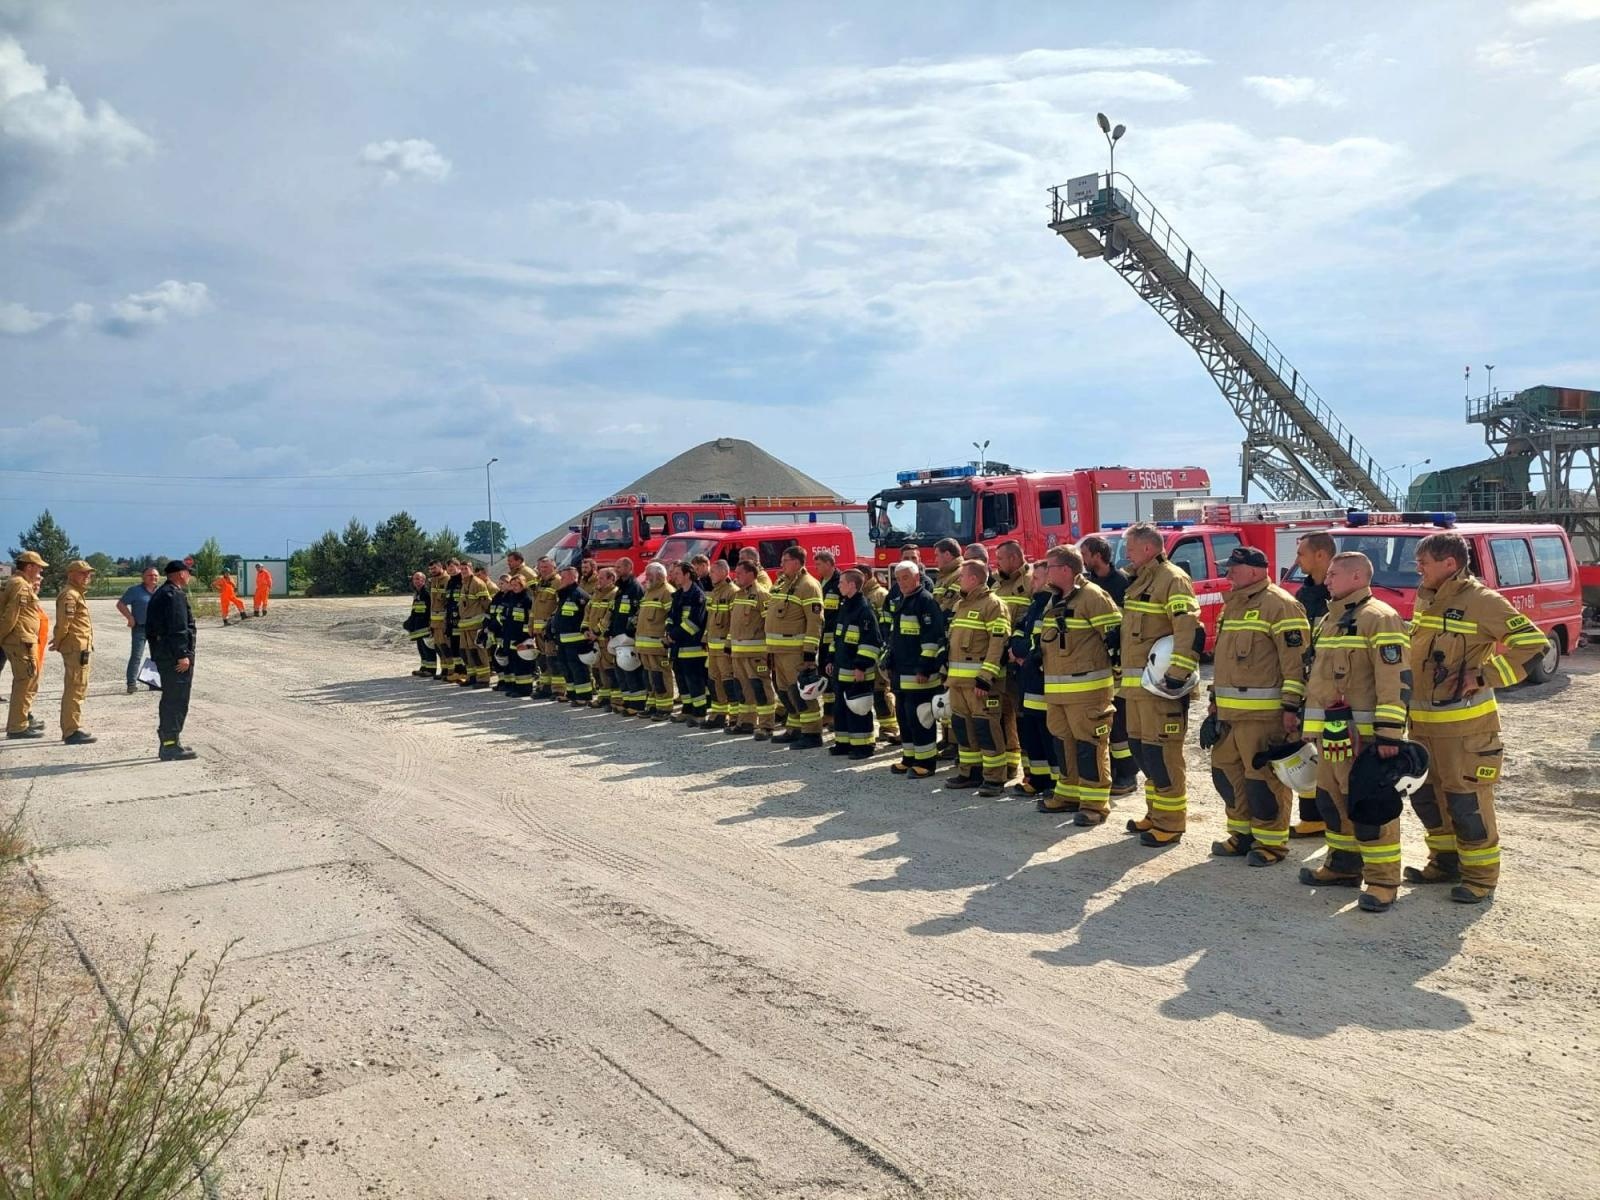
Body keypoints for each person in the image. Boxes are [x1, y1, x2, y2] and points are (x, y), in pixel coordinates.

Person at [1405, 531, 1549, 904]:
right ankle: (1444, 863)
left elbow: (1534, 644)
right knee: (1428, 798)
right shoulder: (1428, 599)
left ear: (1449, 564)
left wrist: (1484, 676)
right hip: (1423, 727)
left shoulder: (1483, 602)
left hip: (1465, 730)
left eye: (1424, 562)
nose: (1418, 568)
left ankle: (1480, 877)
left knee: (1466, 802)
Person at [1298, 552, 1410, 912]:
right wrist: (1310, 728)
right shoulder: (1330, 619)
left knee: (1370, 809)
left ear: (1358, 577)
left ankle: (1382, 881)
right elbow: (1319, 681)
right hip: (1332, 737)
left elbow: (1393, 680)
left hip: (1364, 739)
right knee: (1332, 803)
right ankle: (1343, 866)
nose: (1327, 579)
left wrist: (1389, 734)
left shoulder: (1380, 618)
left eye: (1334, 574)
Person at [1204, 546, 1310, 866]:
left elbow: (1296, 663)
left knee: (1262, 780)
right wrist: (1214, 702)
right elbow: (1223, 663)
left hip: (1264, 716)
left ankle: (1271, 843)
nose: (1228, 574)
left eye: (1234, 569)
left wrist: (1291, 707)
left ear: (1255, 571)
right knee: (1226, 773)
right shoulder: (1232, 606)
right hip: (1229, 715)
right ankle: (1242, 834)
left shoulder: (1281, 605)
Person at [1119, 522, 1201, 848]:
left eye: (1130, 548)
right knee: (1143, 752)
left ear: (1148, 548)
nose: (1127, 554)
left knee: (1163, 755)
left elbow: (1187, 628)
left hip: (1161, 687)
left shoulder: (1172, 579)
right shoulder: (1141, 580)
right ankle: (1155, 813)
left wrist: (1178, 673)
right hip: (1137, 688)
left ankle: (1170, 823)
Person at [1034, 545, 1121, 822]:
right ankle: (1068, 794)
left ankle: (1095, 805)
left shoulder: (1093, 596)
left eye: (1050, 566)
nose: (1046, 572)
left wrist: (1117, 680)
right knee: (1064, 744)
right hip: (1058, 691)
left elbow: (1116, 639)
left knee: (1090, 746)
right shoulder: (1055, 598)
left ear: (1066, 570)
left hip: (1088, 692)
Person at [943, 560, 1012, 796]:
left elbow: (998, 643)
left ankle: (994, 778)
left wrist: (986, 677)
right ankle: (970, 772)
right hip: (958, 682)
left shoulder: (993, 605)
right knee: (963, 728)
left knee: (986, 729)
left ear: (973, 579)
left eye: (962, 576)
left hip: (980, 685)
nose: (959, 580)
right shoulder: (961, 604)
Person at [1080, 534, 1139, 798]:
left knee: (1120, 725)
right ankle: (1111, 771)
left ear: (1097, 555)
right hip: (1097, 665)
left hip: (1120, 665)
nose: (1083, 559)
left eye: (1085, 554)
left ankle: (1127, 774)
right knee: (1102, 723)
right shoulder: (1088, 585)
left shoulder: (1122, 583)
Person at [1289, 531, 1336, 838]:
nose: (1297, 560)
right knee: (1305, 749)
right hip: (1307, 687)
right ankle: (1312, 818)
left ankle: (1333, 820)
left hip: (1333, 691)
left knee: (1332, 757)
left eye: (1301, 554)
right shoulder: (1303, 596)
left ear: (1321, 555)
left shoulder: (1341, 596)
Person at [886, 560, 944, 776]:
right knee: (904, 717)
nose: (901, 582)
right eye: (898, 579)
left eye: (906, 578)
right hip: (902, 673)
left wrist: (924, 668)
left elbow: (932, 639)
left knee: (921, 717)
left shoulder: (925, 601)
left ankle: (926, 763)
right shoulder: (903, 601)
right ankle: (909, 757)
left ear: (917, 577)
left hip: (919, 674)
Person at [766, 545, 825, 748]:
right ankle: (794, 728)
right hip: (778, 651)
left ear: (798, 562)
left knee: (801, 693)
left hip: (795, 652)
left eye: (785, 560)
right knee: (785, 692)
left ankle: (812, 733)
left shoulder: (809, 585)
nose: (781, 564)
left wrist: (809, 654)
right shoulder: (782, 582)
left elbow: (815, 621)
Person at [1009, 560, 1057, 798]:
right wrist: (1019, 649)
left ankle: (1055, 784)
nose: (1032, 583)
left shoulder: (1051, 605)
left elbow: (1039, 645)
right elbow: (1018, 634)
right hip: (1028, 680)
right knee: (1031, 733)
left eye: (1036, 578)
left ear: (1049, 578)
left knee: (1048, 735)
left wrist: (1022, 654)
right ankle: (1038, 780)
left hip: (1042, 681)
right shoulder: (1034, 604)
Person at [825, 569, 883, 759]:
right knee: (841, 708)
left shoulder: (864, 610)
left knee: (858, 709)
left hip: (857, 671)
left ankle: (864, 746)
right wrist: (830, 659)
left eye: (841, 582)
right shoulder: (845, 607)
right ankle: (843, 743)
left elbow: (871, 642)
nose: (838, 585)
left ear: (852, 585)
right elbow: (837, 637)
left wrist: (861, 666)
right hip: (841, 668)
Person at [145, 560, 197, 760]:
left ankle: (170, 742)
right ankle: (170, 745)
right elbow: (178, 627)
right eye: (187, 572)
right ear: (180, 574)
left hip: (164, 655)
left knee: (170, 698)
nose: (189, 576)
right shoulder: (174, 595)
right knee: (176, 699)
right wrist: (182, 654)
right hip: (175, 658)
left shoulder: (161, 593)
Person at [992, 540, 1031, 782]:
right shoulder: (997, 584)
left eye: (1001, 559)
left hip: (1019, 661)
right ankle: (1009, 763)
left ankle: (1030, 771)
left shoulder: (1031, 582)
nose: (997, 564)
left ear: (1014, 558)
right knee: (1002, 713)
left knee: (1022, 716)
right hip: (999, 661)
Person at [1, 550, 48, 740]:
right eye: (39, 567)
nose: (41, 571)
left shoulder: (20, 583)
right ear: (29, 567)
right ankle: (17, 727)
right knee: (24, 681)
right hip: (21, 641)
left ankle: (21, 721)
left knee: (27, 680)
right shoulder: (20, 585)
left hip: (23, 639)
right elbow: (10, 616)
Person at [50, 559, 98, 745]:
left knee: (78, 686)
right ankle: (71, 730)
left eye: (88, 573)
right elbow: (64, 623)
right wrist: (58, 641)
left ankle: (72, 727)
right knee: (75, 687)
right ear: (71, 574)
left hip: (80, 646)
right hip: (76, 647)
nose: (87, 576)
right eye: (82, 573)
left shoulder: (76, 593)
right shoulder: (70, 595)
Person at [727, 560, 773, 736]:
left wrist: (769, 651)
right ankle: (746, 722)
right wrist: (729, 645)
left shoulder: (762, 595)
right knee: (743, 689)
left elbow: (769, 624)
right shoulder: (738, 595)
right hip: (738, 653)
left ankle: (766, 725)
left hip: (756, 654)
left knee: (760, 688)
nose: (736, 576)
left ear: (750, 574)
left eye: (739, 573)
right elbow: (734, 624)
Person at [665, 561, 708, 724]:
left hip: (692, 646)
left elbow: (694, 623)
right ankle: (687, 709)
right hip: (677, 646)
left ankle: (700, 713)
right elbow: (671, 617)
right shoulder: (678, 595)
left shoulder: (697, 595)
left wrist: (673, 635)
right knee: (681, 680)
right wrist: (669, 631)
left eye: (677, 573)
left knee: (694, 681)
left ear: (687, 575)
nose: (674, 576)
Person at [635, 561, 676, 719]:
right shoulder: (648, 592)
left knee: (660, 677)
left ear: (659, 576)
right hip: (644, 646)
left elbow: (672, 618)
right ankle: (652, 705)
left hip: (658, 645)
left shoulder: (667, 592)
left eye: (649, 575)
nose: (646, 578)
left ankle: (664, 708)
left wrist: (667, 638)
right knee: (649, 677)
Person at [608, 557, 647, 715]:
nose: (616, 570)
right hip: (618, 637)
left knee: (631, 670)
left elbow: (637, 613)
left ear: (629, 568)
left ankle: (637, 704)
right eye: (616, 567)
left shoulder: (634, 588)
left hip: (628, 638)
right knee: (621, 671)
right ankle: (628, 700)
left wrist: (631, 631)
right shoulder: (620, 588)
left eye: (619, 567)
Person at [551, 564, 593, 706]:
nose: (561, 579)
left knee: (577, 668)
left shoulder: (580, 595)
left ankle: (584, 696)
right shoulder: (564, 594)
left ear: (573, 578)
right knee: (565, 667)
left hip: (576, 640)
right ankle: (571, 693)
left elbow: (587, 617)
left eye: (563, 577)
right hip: (563, 639)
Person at [702, 559, 736, 728]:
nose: (710, 575)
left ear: (723, 572)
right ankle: (719, 714)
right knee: (714, 682)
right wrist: (705, 638)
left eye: (713, 572)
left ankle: (735, 715)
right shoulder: (715, 592)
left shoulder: (732, 592)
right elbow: (710, 620)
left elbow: (733, 623)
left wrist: (729, 643)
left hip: (724, 648)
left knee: (728, 682)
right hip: (712, 647)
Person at [117, 567, 161, 693]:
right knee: (136, 656)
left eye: (156, 575)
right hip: (140, 628)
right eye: (150, 575)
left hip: (157, 629)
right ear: (143, 577)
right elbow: (120, 604)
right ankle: (131, 683)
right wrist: (130, 617)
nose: (153, 577)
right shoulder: (134, 591)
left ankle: (153, 683)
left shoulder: (162, 591)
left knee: (157, 656)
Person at [582, 566, 617, 709]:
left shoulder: (614, 594)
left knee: (610, 670)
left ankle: (614, 700)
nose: (599, 581)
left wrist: (596, 632)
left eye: (602, 578)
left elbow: (609, 616)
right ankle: (603, 697)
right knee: (598, 670)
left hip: (605, 639)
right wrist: (585, 629)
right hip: (594, 639)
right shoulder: (596, 593)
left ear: (611, 579)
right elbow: (587, 612)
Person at [455, 565, 495, 688]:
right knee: (466, 652)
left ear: (471, 569)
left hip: (475, 625)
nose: (463, 571)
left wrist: (487, 621)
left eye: (465, 568)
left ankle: (483, 679)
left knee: (478, 652)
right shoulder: (464, 583)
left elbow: (487, 603)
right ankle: (472, 676)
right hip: (465, 625)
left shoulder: (478, 583)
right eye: (461, 569)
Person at [403, 570, 437, 677]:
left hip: (425, 625)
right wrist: (410, 622)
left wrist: (431, 624)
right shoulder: (417, 593)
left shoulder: (426, 593)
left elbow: (430, 609)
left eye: (418, 579)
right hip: (418, 626)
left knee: (428, 648)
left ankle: (431, 670)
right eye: (414, 579)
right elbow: (415, 610)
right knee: (421, 648)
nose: (416, 581)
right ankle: (424, 667)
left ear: (424, 580)